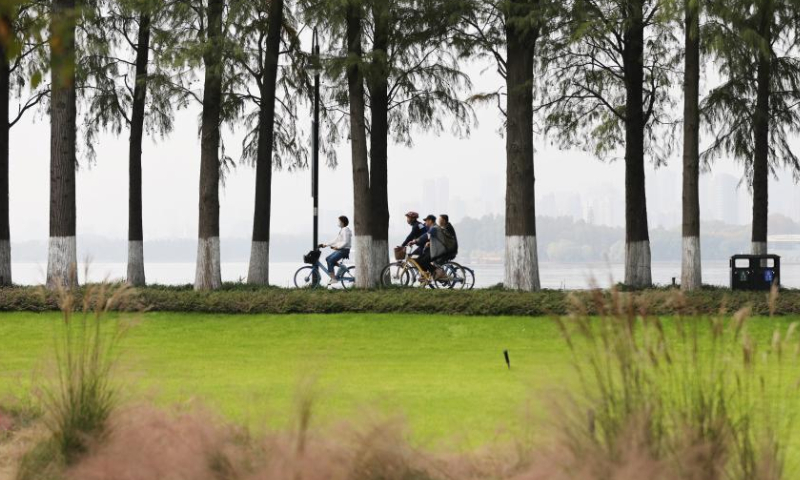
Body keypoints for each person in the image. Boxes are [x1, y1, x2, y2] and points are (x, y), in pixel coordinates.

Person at [319, 215, 352, 283]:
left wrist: (337, 247)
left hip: (344, 250)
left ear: (342, 222)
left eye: (339, 221)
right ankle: (342, 267)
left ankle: (333, 279)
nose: (338, 222)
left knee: (330, 261)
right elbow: (335, 240)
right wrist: (325, 244)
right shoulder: (342, 230)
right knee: (327, 258)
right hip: (341, 249)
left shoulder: (345, 230)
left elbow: (346, 242)